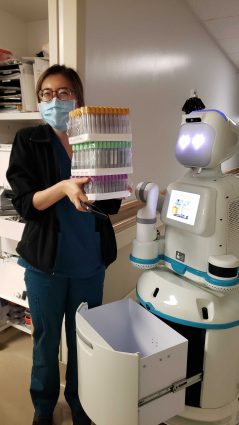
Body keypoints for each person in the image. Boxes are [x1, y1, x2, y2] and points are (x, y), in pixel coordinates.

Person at [6, 64, 121, 425]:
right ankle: (43, 406)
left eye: (64, 93)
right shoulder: (30, 140)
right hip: (46, 266)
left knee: (84, 343)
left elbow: (111, 206)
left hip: (90, 262)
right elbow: (26, 204)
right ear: (40, 100)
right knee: (45, 342)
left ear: (78, 98)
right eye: (46, 94)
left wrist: (120, 184)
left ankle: (80, 402)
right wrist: (63, 188)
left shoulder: (95, 140)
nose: (54, 100)